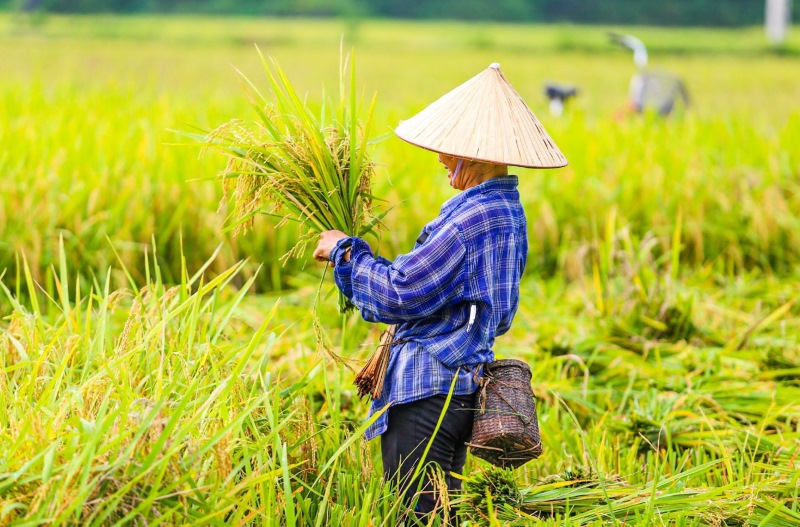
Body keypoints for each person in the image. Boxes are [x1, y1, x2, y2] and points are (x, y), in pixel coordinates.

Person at [312, 63, 567, 520]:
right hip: (461, 390)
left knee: (417, 515)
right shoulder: (509, 214)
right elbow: (498, 314)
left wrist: (343, 253)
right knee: (441, 514)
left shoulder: (473, 220)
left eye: (449, 149)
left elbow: (401, 292)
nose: (441, 157)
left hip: (429, 392)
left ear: (477, 153)